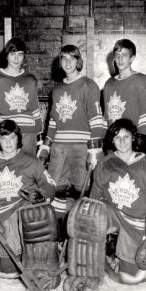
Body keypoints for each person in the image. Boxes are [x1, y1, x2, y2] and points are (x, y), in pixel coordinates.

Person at [87, 118, 146, 285]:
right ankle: (98, 260)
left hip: (138, 221)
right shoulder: (104, 164)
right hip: (114, 213)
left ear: (133, 138)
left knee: (131, 279)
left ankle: (130, 266)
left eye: (126, 136)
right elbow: (94, 199)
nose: (122, 141)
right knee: (89, 215)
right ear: (112, 141)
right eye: (117, 137)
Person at [0, 119, 56, 278]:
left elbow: (50, 184)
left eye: (12, 137)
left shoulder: (30, 160)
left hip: (26, 207)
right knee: (10, 268)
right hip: (1, 213)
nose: (8, 142)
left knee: (34, 215)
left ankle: (41, 256)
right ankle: (10, 259)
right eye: (3, 138)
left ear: (18, 138)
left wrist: (41, 194)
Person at [37, 44, 107, 216]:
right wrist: (46, 146)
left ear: (78, 61)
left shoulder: (89, 86)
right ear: (60, 62)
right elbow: (53, 122)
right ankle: (59, 231)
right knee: (56, 188)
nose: (67, 62)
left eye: (72, 58)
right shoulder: (57, 88)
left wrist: (94, 151)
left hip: (81, 147)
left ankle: (78, 228)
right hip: (59, 148)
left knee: (82, 189)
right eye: (64, 58)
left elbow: (97, 121)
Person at [0, 38, 42, 156]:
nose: (16, 59)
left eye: (20, 54)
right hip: (7, 135)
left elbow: (35, 111)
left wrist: (39, 139)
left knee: (28, 172)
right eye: (12, 54)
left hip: (28, 135)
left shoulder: (30, 79)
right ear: (6, 55)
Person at [102, 38, 146, 146]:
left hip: (133, 141)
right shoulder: (108, 83)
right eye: (117, 55)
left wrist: (142, 143)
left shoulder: (142, 80)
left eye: (124, 55)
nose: (120, 59)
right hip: (114, 142)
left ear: (132, 58)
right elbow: (106, 116)